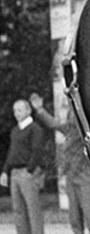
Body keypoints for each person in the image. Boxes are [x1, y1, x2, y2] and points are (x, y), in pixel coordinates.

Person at [29, 93, 90, 234]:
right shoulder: (70, 127)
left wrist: (40, 110)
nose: (70, 113)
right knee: (74, 214)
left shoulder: (85, 128)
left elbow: (55, 124)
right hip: (71, 174)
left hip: (85, 174)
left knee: (89, 211)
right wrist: (40, 110)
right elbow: (54, 124)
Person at [1, 99, 47, 234]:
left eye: (19, 110)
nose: (16, 113)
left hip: (27, 172)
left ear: (28, 110)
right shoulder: (15, 130)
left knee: (33, 211)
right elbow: (12, 152)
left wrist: (30, 170)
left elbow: (37, 151)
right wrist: (5, 171)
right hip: (14, 173)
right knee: (18, 211)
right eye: (15, 110)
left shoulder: (35, 129)